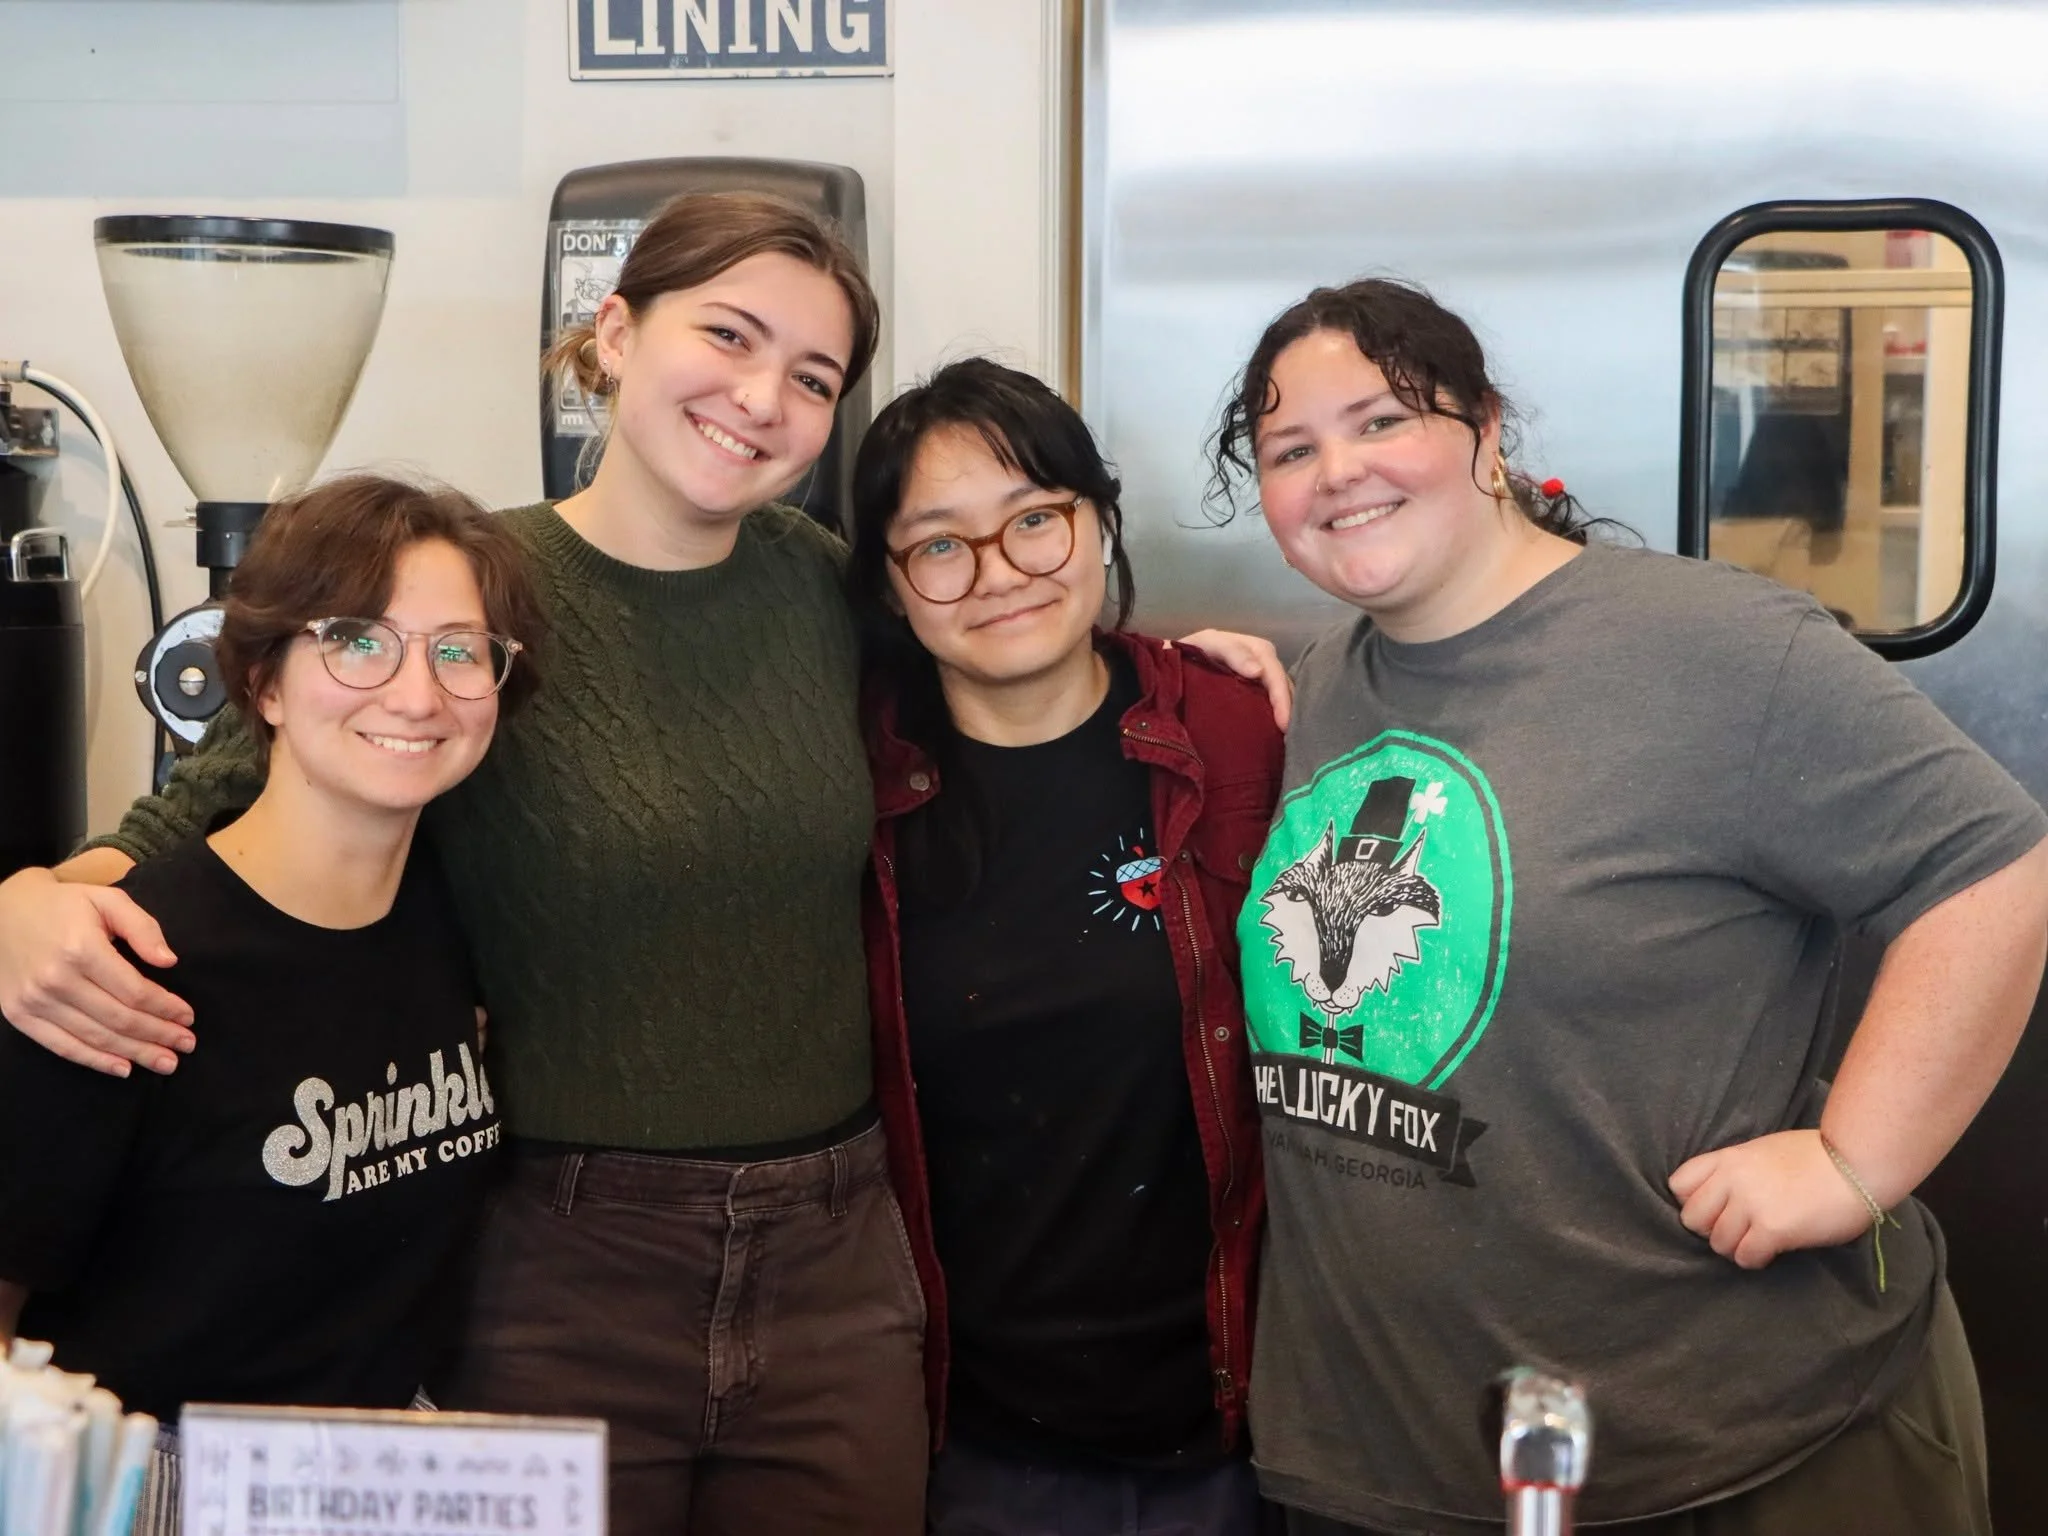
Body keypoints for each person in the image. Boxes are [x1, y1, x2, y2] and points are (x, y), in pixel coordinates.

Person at [0, 191, 1286, 1536]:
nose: (759, 396)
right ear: (611, 332)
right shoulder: (481, 595)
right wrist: (30, 899)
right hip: (565, 1259)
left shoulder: (824, 592)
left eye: (810, 375)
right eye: (727, 336)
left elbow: (1008, 622)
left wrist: (1196, 670)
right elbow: (231, 782)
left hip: (840, 1266)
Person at [1204, 278, 2048, 1536]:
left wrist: (1851, 1161)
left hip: (1723, 1442)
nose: (1336, 470)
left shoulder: (1711, 649)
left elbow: (1992, 867)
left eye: (1378, 420)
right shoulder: (1323, 685)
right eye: (1289, 449)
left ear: (1486, 432)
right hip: (1396, 1448)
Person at [0, 474, 543, 1526]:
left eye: (457, 650)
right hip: (152, 1488)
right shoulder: (118, 964)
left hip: (387, 1478)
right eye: (356, 638)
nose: (416, 694)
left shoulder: (457, 918)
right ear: (265, 683)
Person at [847, 359, 1280, 1534]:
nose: (996, 576)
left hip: (1236, 1425)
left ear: (1097, 525)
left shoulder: (1237, 733)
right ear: (892, 587)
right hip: (976, 1444)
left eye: (1034, 521)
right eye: (939, 545)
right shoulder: (845, 789)